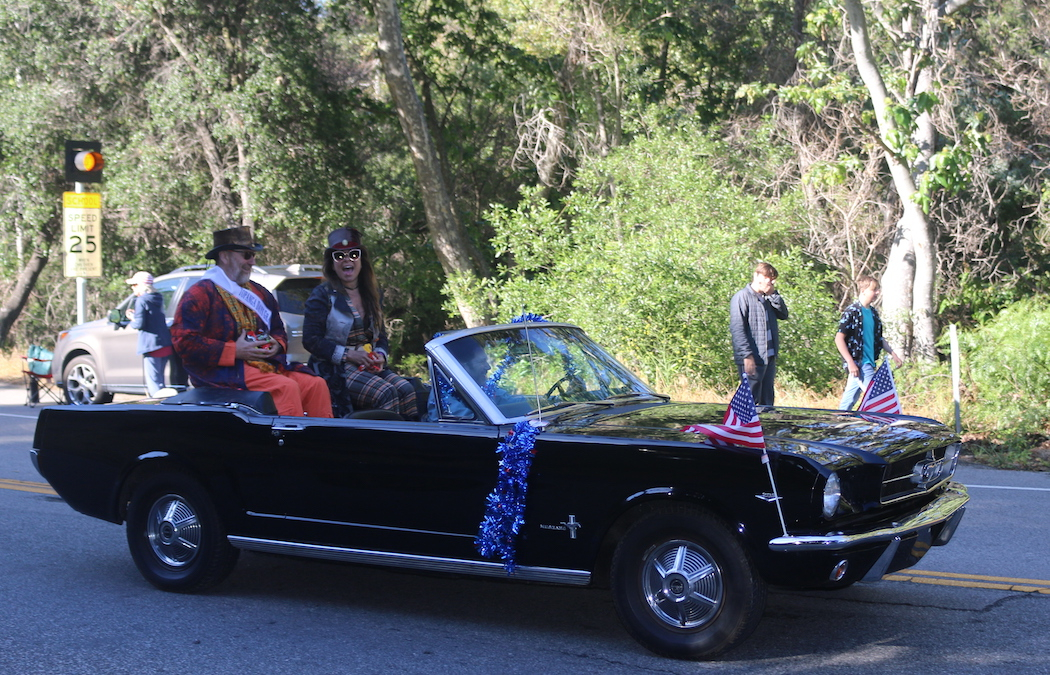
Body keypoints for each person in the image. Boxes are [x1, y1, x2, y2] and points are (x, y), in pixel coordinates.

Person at [171, 226, 332, 417]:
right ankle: (289, 444)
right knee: (285, 387)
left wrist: (276, 345)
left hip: (266, 366)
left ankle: (320, 443)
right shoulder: (200, 294)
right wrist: (233, 351)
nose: (252, 261)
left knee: (316, 384)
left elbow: (278, 330)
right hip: (223, 373)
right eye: (247, 255)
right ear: (225, 256)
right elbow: (184, 342)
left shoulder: (259, 293)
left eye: (253, 255)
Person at [303, 228, 419, 419]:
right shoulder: (322, 295)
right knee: (385, 393)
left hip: (367, 362)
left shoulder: (372, 293)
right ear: (332, 263)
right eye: (339, 256)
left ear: (361, 260)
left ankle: (413, 445)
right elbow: (310, 340)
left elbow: (380, 336)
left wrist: (380, 355)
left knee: (407, 389)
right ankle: (381, 447)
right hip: (336, 368)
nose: (347, 260)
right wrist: (349, 355)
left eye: (353, 254)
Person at [834, 275, 904, 410]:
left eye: (878, 289)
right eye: (874, 289)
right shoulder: (852, 311)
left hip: (869, 362)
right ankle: (883, 428)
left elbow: (879, 338)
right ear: (864, 290)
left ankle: (835, 424)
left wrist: (893, 353)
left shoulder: (873, 313)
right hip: (860, 363)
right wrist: (849, 362)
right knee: (877, 400)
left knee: (848, 402)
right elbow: (839, 338)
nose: (877, 293)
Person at [729, 262, 789, 407]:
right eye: (767, 277)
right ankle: (740, 428)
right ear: (757, 276)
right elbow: (737, 329)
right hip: (752, 358)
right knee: (749, 400)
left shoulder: (769, 299)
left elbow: (783, 314)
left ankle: (765, 428)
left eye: (772, 278)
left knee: (767, 401)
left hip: (768, 356)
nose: (770, 281)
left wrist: (773, 295)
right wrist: (747, 356)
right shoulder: (742, 297)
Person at [124, 271, 173, 398]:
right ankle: (164, 405)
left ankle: (156, 406)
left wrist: (131, 317)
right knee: (161, 381)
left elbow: (139, 324)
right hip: (165, 343)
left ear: (141, 286)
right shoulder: (158, 297)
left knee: (154, 383)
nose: (132, 287)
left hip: (151, 345)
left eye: (134, 284)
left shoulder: (141, 300)